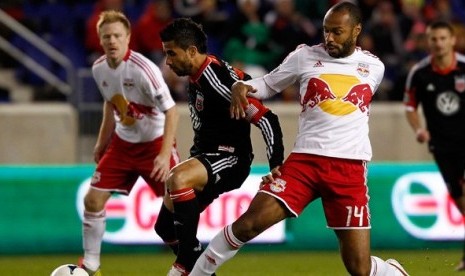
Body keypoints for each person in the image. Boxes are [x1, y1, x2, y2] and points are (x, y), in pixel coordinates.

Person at [191, 2, 409, 276]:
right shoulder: (304, 56)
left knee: (359, 269)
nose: (329, 38)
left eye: (337, 32)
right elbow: (270, 84)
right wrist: (242, 85)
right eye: (326, 31)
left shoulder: (374, 67)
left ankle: (392, 272)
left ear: (356, 31)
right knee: (248, 224)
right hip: (305, 162)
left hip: (349, 168)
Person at [157, 18, 285, 275]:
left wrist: (276, 166)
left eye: (171, 53)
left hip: (230, 159)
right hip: (206, 156)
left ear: (192, 51)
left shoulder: (215, 80)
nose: (168, 61)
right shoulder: (200, 74)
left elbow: (267, 119)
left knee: (178, 178)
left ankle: (185, 262)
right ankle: (198, 267)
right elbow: (241, 78)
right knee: (165, 227)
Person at [79, 10, 180, 276]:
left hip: (155, 144)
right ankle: (91, 264)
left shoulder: (145, 70)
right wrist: (102, 142)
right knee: (93, 201)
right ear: (100, 40)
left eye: (117, 36)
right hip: (123, 145)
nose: (112, 41)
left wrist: (162, 154)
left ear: (128, 38)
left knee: (178, 209)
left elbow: (172, 111)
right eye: (106, 36)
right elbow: (111, 104)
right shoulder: (98, 68)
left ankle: (190, 264)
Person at [404, 20, 465, 272]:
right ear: (428, 42)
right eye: (433, 39)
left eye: (443, 38)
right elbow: (409, 107)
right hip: (442, 147)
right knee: (460, 202)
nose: (438, 43)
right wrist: (419, 129)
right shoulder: (420, 73)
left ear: (452, 40)